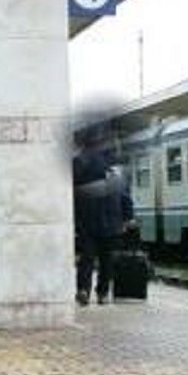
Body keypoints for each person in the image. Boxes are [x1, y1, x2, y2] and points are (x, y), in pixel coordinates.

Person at [73, 131, 131, 306]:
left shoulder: (80, 162)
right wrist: (128, 217)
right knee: (107, 260)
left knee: (87, 259)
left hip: (87, 219)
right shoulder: (114, 167)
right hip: (111, 220)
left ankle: (83, 290)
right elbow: (124, 195)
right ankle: (103, 293)